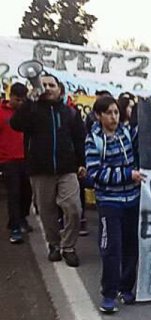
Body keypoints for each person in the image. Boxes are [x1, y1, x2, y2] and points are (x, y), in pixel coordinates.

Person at [11, 74, 86, 267]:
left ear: (59, 89)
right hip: (40, 170)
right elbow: (15, 124)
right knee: (47, 211)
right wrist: (29, 101)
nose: (47, 88)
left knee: (73, 208)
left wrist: (82, 163)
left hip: (67, 169)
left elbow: (79, 139)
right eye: (43, 85)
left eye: (51, 85)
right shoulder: (32, 110)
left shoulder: (70, 113)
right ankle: (54, 244)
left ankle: (68, 246)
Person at [85, 96, 143, 313]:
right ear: (99, 115)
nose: (114, 117)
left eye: (116, 112)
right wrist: (128, 175)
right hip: (110, 203)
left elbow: (149, 140)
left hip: (132, 200)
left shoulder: (128, 134)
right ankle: (108, 294)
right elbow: (95, 173)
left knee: (131, 247)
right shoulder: (94, 140)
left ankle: (125, 288)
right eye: (109, 113)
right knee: (111, 249)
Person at [0, 83, 32, 243]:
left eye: (23, 100)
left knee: (27, 192)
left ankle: (22, 217)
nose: (20, 103)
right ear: (10, 96)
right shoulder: (0, 112)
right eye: (17, 100)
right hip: (7, 160)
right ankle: (14, 227)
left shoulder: (27, 112)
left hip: (26, 159)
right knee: (14, 194)